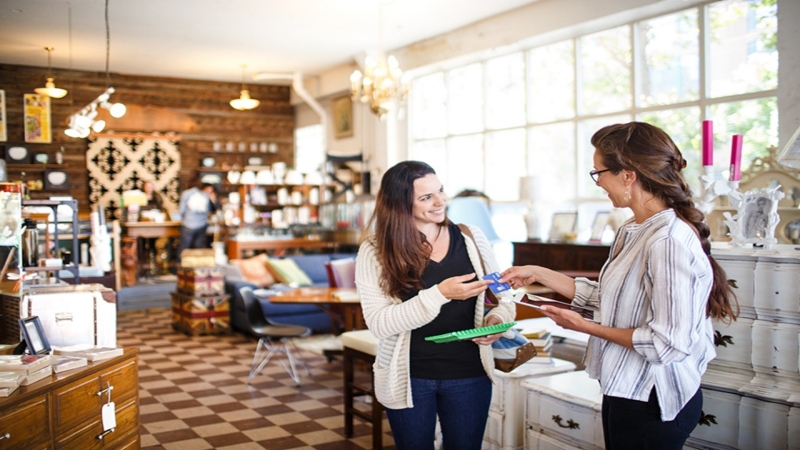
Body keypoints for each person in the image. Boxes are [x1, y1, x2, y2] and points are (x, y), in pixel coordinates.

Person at [501, 122, 738, 450]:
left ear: (627, 175)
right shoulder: (632, 229)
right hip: (625, 389)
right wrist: (539, 272)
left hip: (653, 399)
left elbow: (667, 344)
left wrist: (585, 327)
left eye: (598, 172)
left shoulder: (668, 241)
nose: (598, 182)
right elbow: (609, 299)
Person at [355, 161, 516, 450]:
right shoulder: (375, 251)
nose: (441, 201)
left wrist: (496, 321)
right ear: (400, 203)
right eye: (426, 197)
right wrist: (440, 293)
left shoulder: (471, 238)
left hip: (470, 373)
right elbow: (379, 324)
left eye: (441, 190)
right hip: (410, 377)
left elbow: (503, 297)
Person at [177, 182, 217, 255]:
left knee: (184, 248)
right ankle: (198, 262)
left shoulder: (186, 193)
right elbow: (208, 211)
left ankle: (180, 262)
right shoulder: (205, 195)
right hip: (202, 225)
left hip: (188, 224)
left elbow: (181, 211)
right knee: (199, 248)